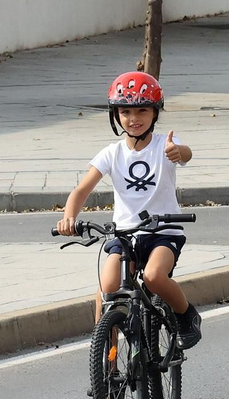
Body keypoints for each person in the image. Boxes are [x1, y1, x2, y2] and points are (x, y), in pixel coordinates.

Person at [58, 72, 203, 358]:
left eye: (142, 111)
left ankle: (187, 316)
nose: (133, 118)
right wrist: (69, 217)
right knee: (106, 290)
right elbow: (81, 190)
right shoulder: (111, 153)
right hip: (124, 234)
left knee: (153, 277)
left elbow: (186, 154)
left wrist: (179, 152)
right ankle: (108, 367)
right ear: (115, 115)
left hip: (163, 231)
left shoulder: (165, 145)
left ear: (155, 113)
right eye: (125, 112)